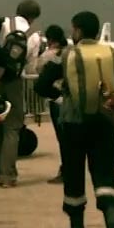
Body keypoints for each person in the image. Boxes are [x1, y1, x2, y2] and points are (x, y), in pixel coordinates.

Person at [34, 12, 114, 228]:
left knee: (74, 173)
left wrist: (62, 97)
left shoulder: (66, 56)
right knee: (105, 173)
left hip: (73, 124)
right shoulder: (110, 54)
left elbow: (40, 85)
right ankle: (111, 214)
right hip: (106, 122)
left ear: (77, 31)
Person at [0, 0, 42, 187]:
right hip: (14, 82)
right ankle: (8, 175)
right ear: (33, 17)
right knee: (12, 128)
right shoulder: (34, 36)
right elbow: (31, 66)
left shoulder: (2, 24)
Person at [37, 25, 69, 184]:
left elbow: (37, 70)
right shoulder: (69, 51)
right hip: (70, 99)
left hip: (56, 99)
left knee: (63, 139)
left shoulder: (49, 55)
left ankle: (66, 171)